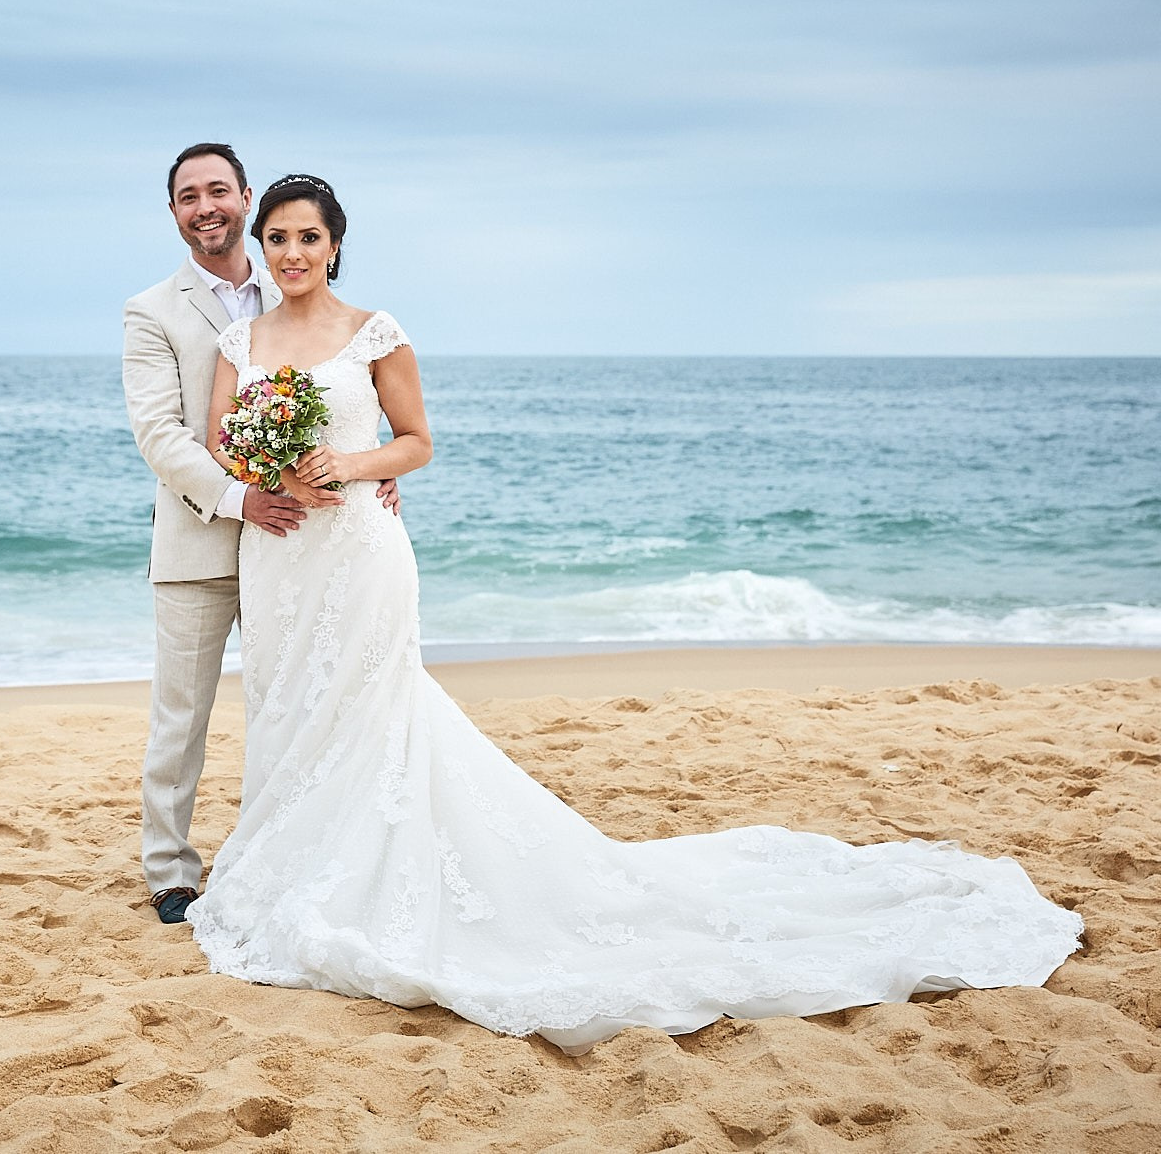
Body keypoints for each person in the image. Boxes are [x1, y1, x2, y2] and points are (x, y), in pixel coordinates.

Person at [187, 172, 1084, 1052]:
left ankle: (365, 877)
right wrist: (266, 470)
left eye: (309, 236)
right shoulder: (243, 339)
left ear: (335, 243)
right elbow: (225, 441)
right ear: (261, 249)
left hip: (360, 553)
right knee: (288, 701)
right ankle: (292, 862)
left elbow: (417, 443)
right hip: (280, 553)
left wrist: (353, 466)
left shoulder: (372, 332)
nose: (293, 251)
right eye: (279, 238)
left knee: (371, 710)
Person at [121, 144, 398, 925]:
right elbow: (162, 436)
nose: (205, 206)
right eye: (187, 196)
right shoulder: (152, 311)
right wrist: (245, 499)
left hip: (303, 548)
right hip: (204, 540)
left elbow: (348, 392)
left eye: (218, 191)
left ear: (245, 198)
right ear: (173, 213)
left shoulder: (290, 279)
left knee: (293, 706)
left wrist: (367, 461)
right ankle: (171, 871)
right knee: (182, 717)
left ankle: (297, 852)